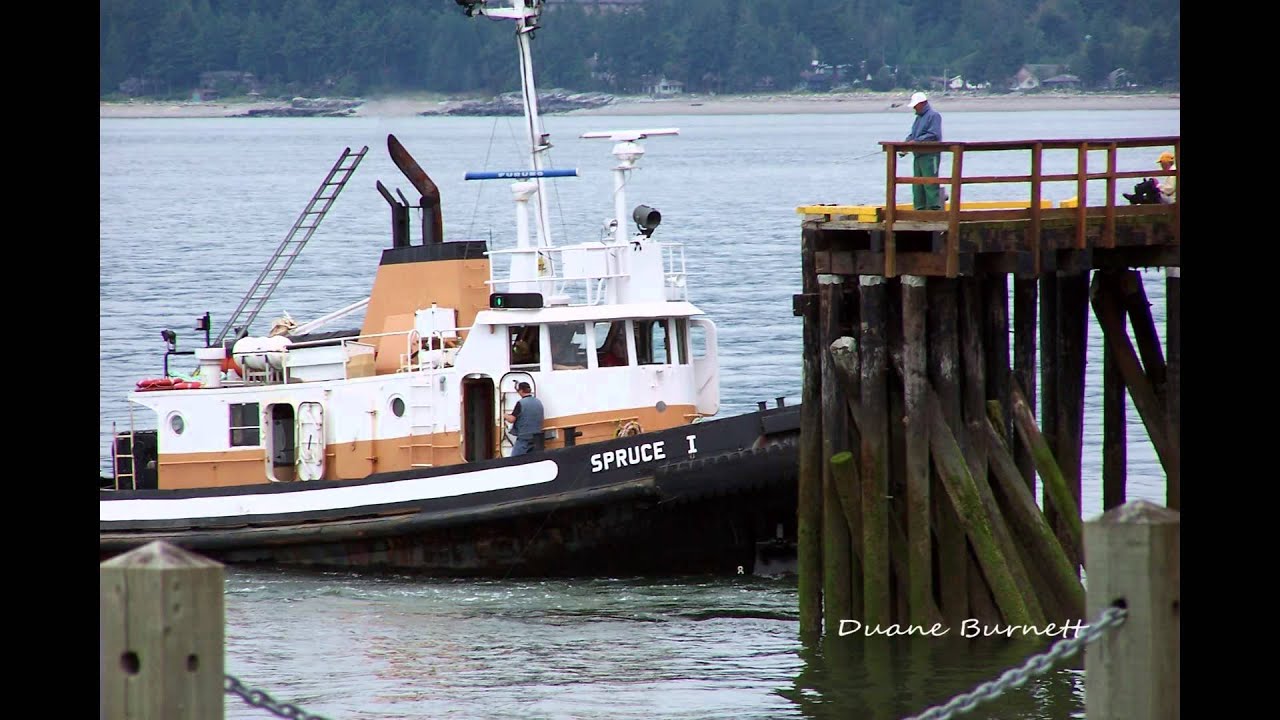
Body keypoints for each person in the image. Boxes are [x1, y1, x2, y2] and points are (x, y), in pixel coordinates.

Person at [900, 91, 943, 210]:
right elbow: (913, 135)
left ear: (923, 103)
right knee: (917, 184)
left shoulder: (933, 116)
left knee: (930, 182)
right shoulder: (918, 118)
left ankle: (934, 210)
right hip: (918, 155)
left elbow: (934, 134)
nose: (914, 107)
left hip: (930, 155)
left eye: (915, 104)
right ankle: (919, 209)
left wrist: (916, 142)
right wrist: (905, 145)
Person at [504, 381, 545, 456]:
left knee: (514, 460)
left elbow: (512, 419)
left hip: (524, 438)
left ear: (521, 391)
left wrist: (504, 415)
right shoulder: (538, 402)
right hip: (537, 438)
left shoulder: (521, 403)